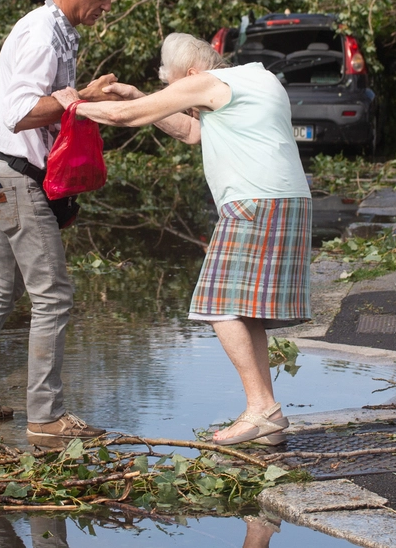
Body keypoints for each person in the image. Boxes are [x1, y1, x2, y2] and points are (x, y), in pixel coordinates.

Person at [74, 33, 312, 446]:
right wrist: (140, 92)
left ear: (190, 73)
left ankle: (262, 409)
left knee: (217, 305)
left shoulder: (205, 82)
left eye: (173, 87)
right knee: (241, 309)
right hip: (287, 201)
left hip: (254, 202)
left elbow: (124, 117)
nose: (174, 94)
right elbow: (191, 132)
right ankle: (265, 412)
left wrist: (72, 105)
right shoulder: (256, 78)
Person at [0, 0, 123, 441]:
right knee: (53, 296)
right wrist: (84, 97)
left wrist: (80, 95)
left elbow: (46, 103)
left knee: (2, 288)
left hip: (2, 175)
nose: (106, 6)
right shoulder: (44, 34)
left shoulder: (59, 31)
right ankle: (46, 417)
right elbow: (20, 113)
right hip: (16, 178)